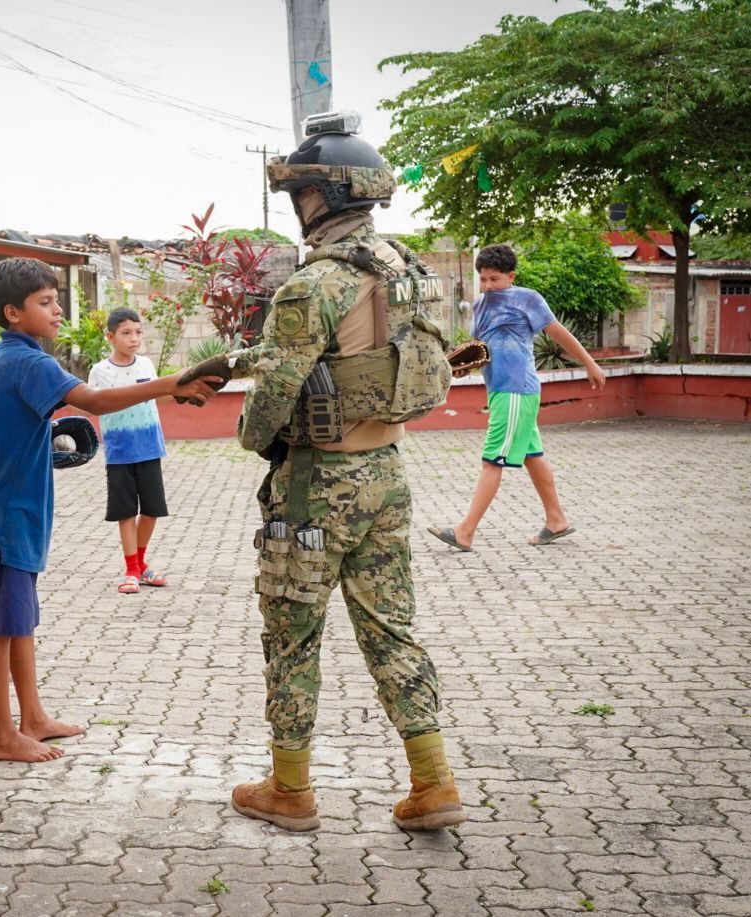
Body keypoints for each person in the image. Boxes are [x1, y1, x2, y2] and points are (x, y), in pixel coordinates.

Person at [181, 111, 464, 832]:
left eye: (301, 192)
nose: (297, 205)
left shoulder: (316, 284)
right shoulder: (402, 266)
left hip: (315, 488)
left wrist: (251, 432)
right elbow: (355, 356)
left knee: (292, 638)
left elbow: (276, 399)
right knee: (391, 630)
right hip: (384, 474)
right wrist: (240, 360)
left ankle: (289, 788)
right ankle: (433, 782)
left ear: (324, 196)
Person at [0, 258, 219, 763]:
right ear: (12, 312)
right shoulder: (30, 362)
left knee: (18, 619)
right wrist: (168, 383)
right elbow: (91, 400)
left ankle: (34, 718)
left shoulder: (1, 356)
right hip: (6, 513)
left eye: (56, 299)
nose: (56, 309)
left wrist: (19, 436)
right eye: (44, 302)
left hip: (7, 508)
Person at [427, 243, 606, 552]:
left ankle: (465, 531)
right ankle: (557, 520)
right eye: (482, 279)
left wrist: (589, 362)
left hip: (516, 389)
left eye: (494, 279)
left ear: (511, 275)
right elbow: (480, 348)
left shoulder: (528, 299)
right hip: (499, 389)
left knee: (492, 459)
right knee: (531, 455)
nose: (487, 285)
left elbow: (557, 332)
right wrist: (463, 368)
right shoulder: (481, 304)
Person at [87, 308, 169, 594]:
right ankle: (131, 569)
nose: (133, 338)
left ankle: (141, 563)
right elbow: (96, 405)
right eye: (125, 333)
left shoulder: (146, 365)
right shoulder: (100, 372)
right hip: (119, 452)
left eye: (138, 332)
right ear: (111, 336)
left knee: (152, 511)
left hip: (150, 449)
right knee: (125, 513)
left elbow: (157, 396)